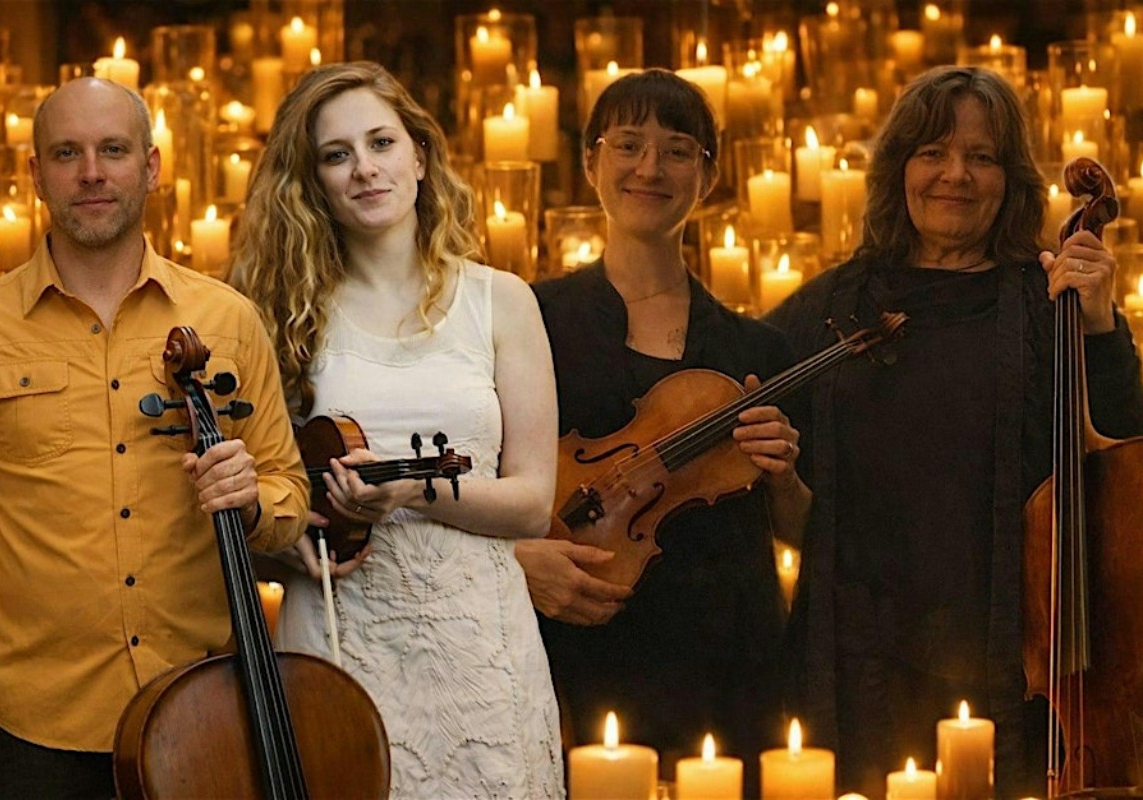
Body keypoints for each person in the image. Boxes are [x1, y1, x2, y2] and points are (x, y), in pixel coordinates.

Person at [764, 65, 1143, 799]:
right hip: (860, 658)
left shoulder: (1051, 301)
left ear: (1011, 178)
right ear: (899, 168)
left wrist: (1098, 321)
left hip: (1017, 663)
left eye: (982, 157)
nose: (955, 175)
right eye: (933, 152)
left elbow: (1123, 459)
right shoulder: (830, 308)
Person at [0, 77, 309, 799]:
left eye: (113, 150)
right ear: (36, 173)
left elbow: (288, 494)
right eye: (66, 153)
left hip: (204, 707)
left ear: (151, 166)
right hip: (40, 726)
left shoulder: (228, 320)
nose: (91, 173)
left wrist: (251, 500)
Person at [228, 62, 563, 799]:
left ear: (419, 155)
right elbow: (248, 503)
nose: (364, 169)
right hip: (342, 636)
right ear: (312, 182)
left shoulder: (501, 302)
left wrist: (412, 492)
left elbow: (534, 504)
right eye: (336, 154)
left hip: (479, 645)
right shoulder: (277, 316)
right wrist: (285, 551)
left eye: (381, 143)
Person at [515, 69, 811, 792]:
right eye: (628, 145)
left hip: (728, 663)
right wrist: (520, 563)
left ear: (707, 177)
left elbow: (803, 528)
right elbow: (483, 491)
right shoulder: (530, 320)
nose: (650, 168)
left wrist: (783, 474)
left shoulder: (757, 350)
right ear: (591, 162)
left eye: (678, 150)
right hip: (580, 647)